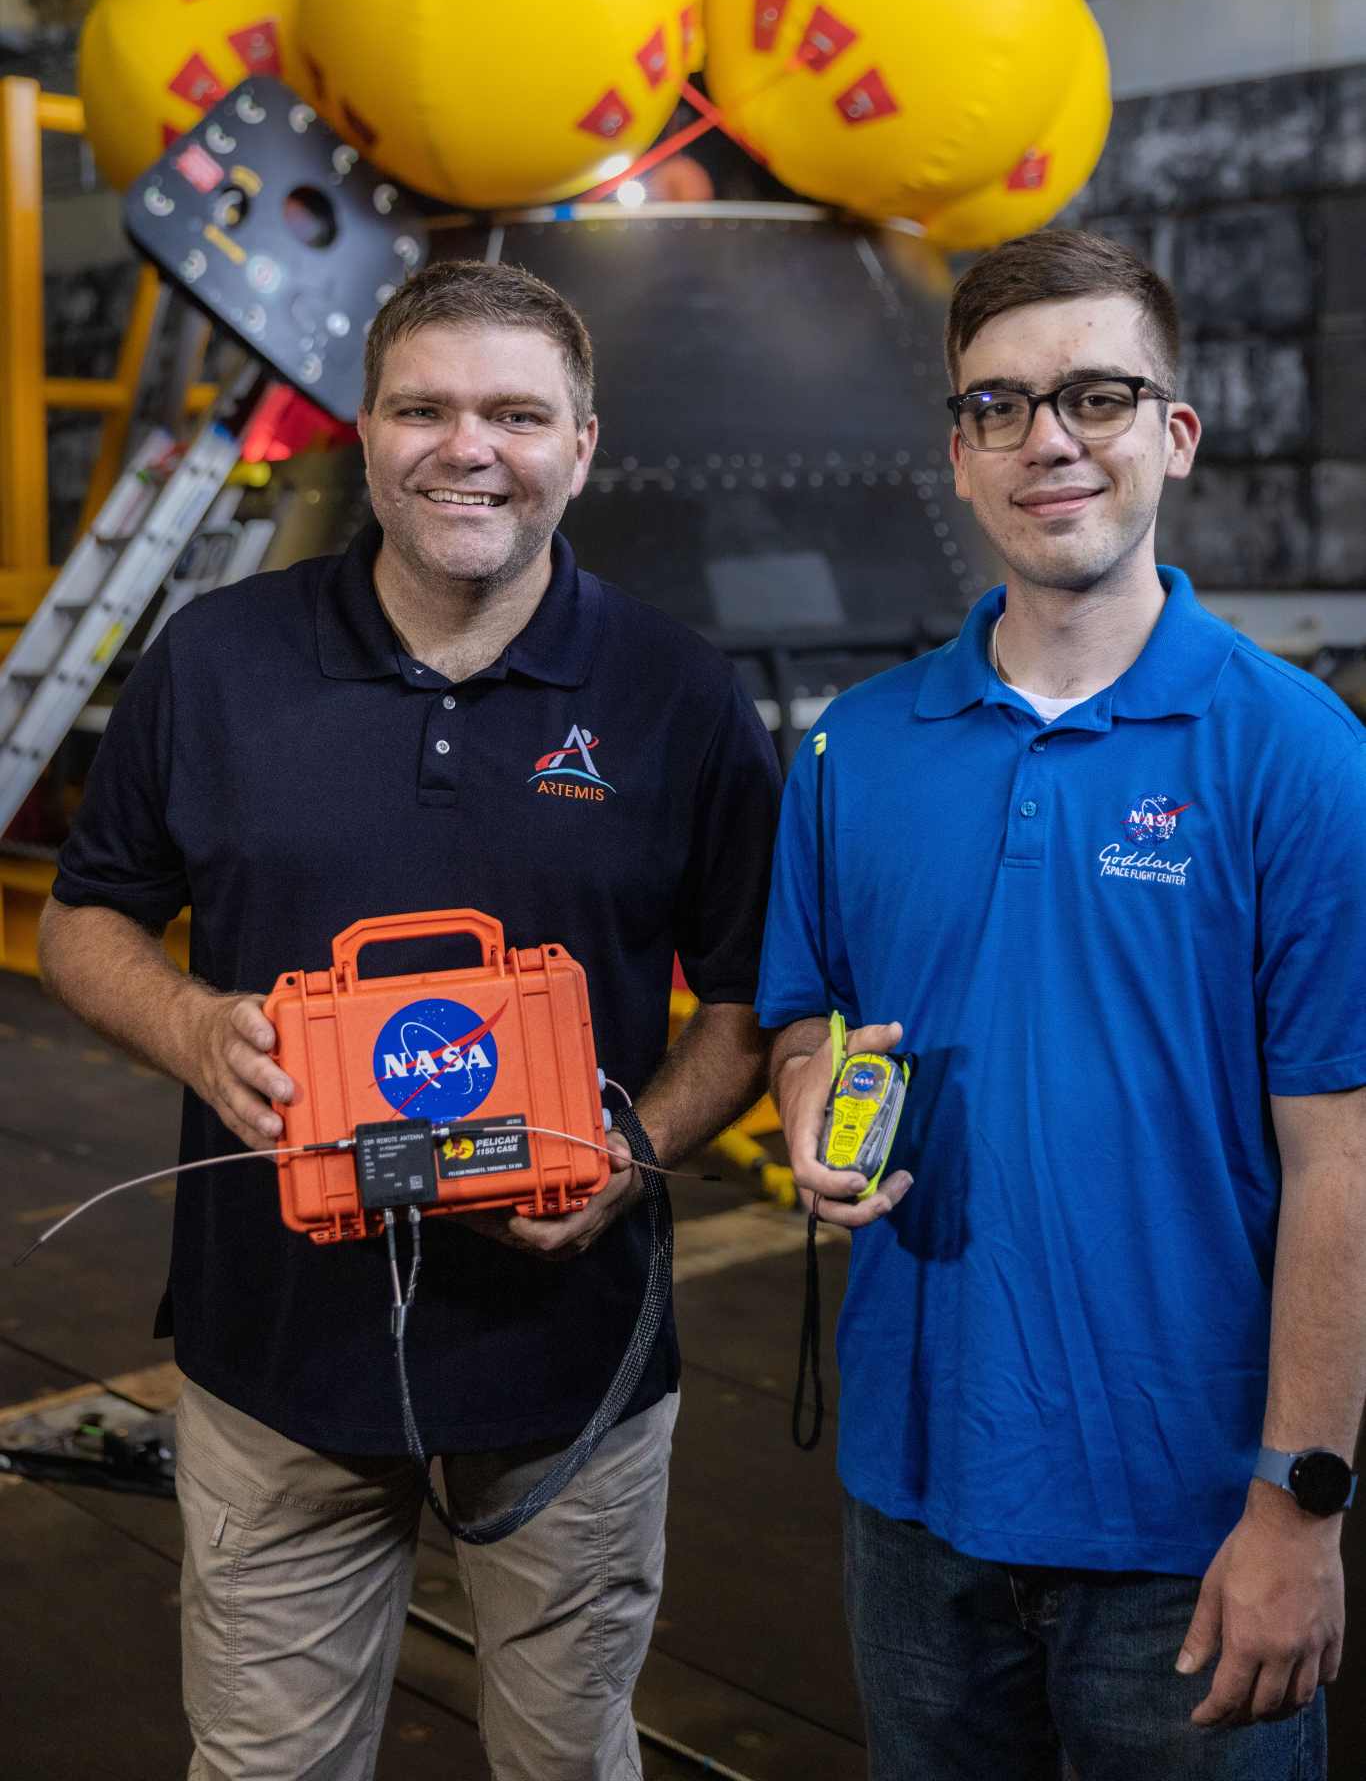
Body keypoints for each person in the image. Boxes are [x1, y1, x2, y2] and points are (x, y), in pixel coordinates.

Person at [38, 258, 780, 1781]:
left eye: (516, 413)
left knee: (568, 1761)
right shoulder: (215, 662)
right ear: (361, 434)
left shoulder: (674, 694)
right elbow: (80, 917)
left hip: (567, 1359)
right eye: (423, 408)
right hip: (274, 1358)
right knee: (265, 1766)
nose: (469, 447)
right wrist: (192, 1029)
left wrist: (631, 1149)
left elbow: (755, 998)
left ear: (581, 444)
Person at [759, 229, 1366, 1781]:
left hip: (1189, 1528)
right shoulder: (856, 750)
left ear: (1172, 432)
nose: (1047, 439)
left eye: (1095, 396)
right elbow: (803, 1010)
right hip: (915, 1511)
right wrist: (806, 1106)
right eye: (999, 406)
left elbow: (1338, 1163)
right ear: (957, 456)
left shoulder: (1294, 756)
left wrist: (1298, 1505)